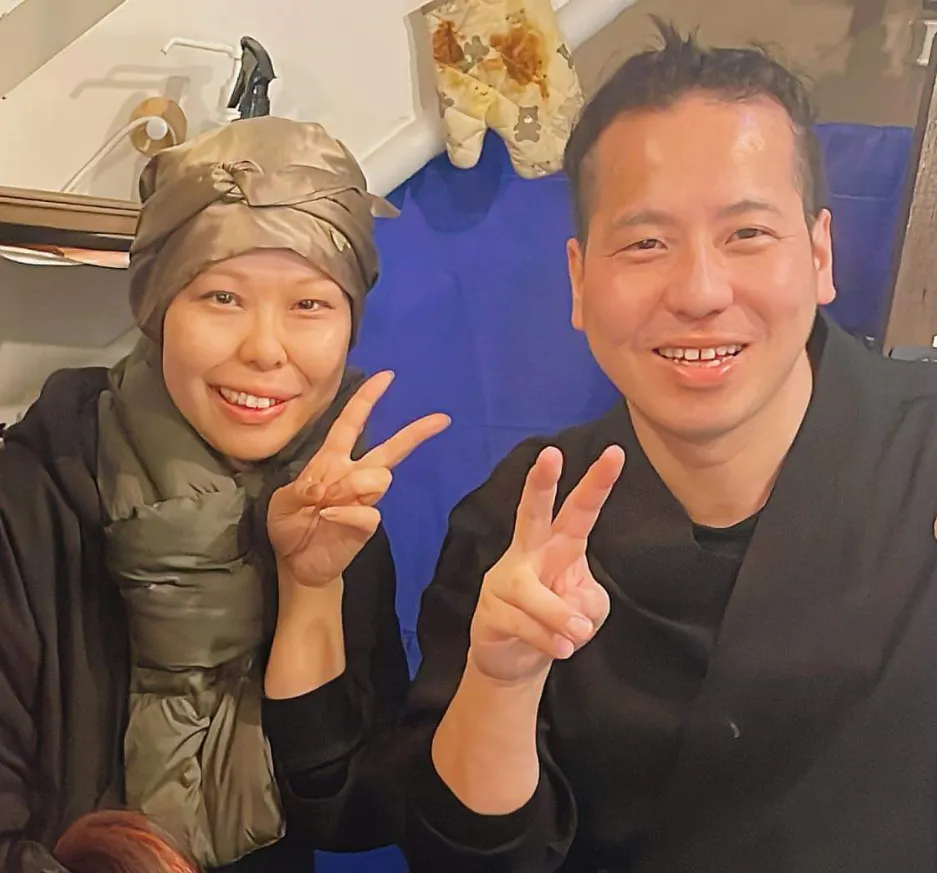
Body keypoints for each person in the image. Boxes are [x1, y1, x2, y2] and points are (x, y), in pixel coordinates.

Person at [402, 20, 937, 873]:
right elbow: (471, 860)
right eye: (645, 243)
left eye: (747, 234)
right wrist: (499, 683)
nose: (698, 290)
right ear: (579, 280)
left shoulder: (920, 458)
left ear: (819, 253)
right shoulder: (522, 515)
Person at [0, 116, 449, 872]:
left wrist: (310, 592)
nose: (265, 349)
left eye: (309, 305)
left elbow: (350, 814)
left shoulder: (328, 494)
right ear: (158, 308)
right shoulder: (34, 497)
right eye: (222, 297)